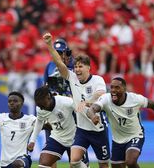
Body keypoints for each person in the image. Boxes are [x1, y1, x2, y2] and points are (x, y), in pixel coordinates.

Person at [43, 33, 110, 168]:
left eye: (80, 67)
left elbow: (101, 94)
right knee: (74, 161)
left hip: (98, 128)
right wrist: (49, 45)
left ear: (88, 68)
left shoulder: (98, 79)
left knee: (104, 164)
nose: (77, 69)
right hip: (81, 128)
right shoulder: (72, 78)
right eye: (76, 67)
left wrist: (86, 102)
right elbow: (60, 64)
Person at [87, 77, 154, 168]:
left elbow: (152, 104)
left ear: (124, 89)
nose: (113, 90)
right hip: (117, 140)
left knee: (131, 161)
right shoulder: (106, 99)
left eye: (117, 87)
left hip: (135, 135)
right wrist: (93, 116)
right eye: (112, 87)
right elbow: (91, 109)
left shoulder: (134, 99)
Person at [27, 86, 77, 167]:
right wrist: (32, 140)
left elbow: (81, 111)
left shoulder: (66, 102)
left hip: (75, 138)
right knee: (43, 163)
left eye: (43, 105)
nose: (41, 108)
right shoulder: (40, 108)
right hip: (57, 138)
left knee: (76, 165)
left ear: (48, 97)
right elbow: (39, 122)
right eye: (39, 106)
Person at [0, 91, 36, 168]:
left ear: (22, 103)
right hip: (5, 163)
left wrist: (32, 141)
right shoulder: (1, 118)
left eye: (15, 101)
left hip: (23, 158)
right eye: (9, 101)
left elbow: (43, 124)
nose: (11, 103)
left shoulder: (30, 119)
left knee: (18, 164)